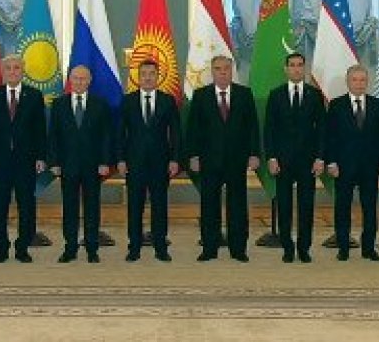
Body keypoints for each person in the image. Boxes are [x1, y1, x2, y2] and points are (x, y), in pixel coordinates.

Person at [186, 55, 259, 263]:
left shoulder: (244, 94)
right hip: (209, 160)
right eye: (218, 68)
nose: (223, 72)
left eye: (226, 68)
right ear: (212, 71)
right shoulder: (201, 95)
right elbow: (193, 129)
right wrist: (193, 155)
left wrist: (254, 153)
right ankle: (209, 248)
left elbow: (252, 127)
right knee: (209, 205)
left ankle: (238, 249)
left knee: (237, 205)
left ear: (232, 69)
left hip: (237, 159)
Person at [0, 55, 47, 264]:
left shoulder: (34, 95)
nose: (12, 71)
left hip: (26, 160)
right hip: (0, 160)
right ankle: (1, 247)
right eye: (8, 68)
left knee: (26, 205)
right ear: (3, 71)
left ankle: (22, 247)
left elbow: (40, 129)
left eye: (16, 68)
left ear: (22, 71)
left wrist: (41, 156)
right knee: (0, 205)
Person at [264, 52, 325, 263]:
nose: (296, 69)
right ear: (286, 69)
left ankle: (304, 248)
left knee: (306, 206)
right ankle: (287, 248)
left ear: (304, 68)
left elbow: (322, 129)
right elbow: (269, 129)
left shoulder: (315, 95)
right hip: (282, 161)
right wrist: (271, 157)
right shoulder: (276, 95)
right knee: (284, 206)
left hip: (308, 161)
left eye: (300, 65)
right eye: (292, 65)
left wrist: (320, 158)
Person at [117, 59, 181, 262]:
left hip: (160, 163)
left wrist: (175, 159)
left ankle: (160, 247)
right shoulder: (127, 101)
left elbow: (176, 133)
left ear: (157, 76)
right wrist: (120, 159)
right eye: (143, 74)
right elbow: (120, 133)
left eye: (151, 73)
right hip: (134, 163)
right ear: (138, 77)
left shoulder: (167, 101)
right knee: (135, 207)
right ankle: (134, 247)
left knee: (159, 206)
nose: (147, 77)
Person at [325, 65, 379, 261]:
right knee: (342, 207)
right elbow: (330, 136)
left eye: (363, 80)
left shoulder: (377, 105)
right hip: (344, 166)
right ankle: (343, 247)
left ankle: (368, 248)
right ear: (348, 82)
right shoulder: (336, 105)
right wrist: (331, 162)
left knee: (369, 208)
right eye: (355, 80)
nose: (359, 84)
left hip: (370, 166)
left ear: (367, 82)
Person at [48, 65, 113, 263]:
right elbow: (53, 136)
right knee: (69, 208)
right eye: (75, 78)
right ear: (70, 80)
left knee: (92, 207)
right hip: (67, 165)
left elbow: (106, 136)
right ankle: (70, 248)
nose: (79, 82)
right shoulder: (59, 104)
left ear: (89, 81)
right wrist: (54, 162)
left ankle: (92, 248)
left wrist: (105, 162)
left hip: (93, 166)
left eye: (83, 79)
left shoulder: (100, 104)